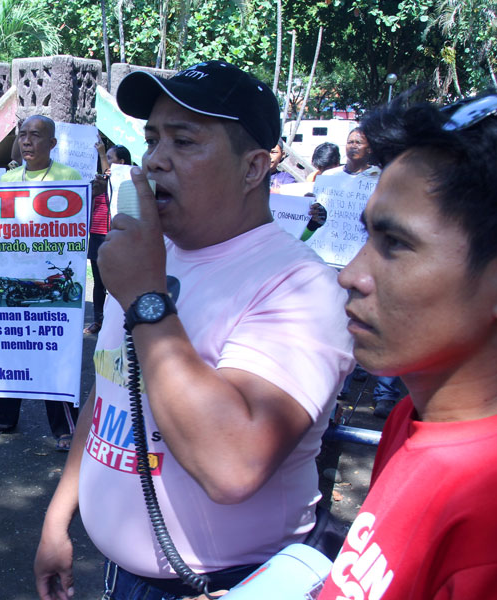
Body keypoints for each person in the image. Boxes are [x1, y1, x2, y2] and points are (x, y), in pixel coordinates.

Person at [34, 60, 353, 600]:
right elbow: (112, 389)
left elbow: (232, 466)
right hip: (121, 577)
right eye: (153, 139)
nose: (156, 159)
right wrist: (58, 517)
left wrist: (144, 298)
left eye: (184, 141)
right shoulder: (149, 257)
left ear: (254, 168)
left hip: (223, 585)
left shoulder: (300, 287)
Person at [319, 94, 497, 599]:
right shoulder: (408, 419)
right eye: (367, 235)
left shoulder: (486, 522)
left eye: (394, 244)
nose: (352, 275)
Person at [0, 115, 82, 450]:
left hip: (50, 275)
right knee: (10, 350)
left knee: (53, 353)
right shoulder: (8, 178)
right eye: (22, 135)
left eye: (35, 136)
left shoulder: (69, 177)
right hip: (16, 273)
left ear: (52, 144)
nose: (26, 142)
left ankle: (65, 427)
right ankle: (3, 418)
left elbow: (73, 232)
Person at [84, 141, 131, 335]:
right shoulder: (100, 182)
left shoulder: (126, 181)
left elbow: (114, 182)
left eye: (110, 159)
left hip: (115, 235)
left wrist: (102, 153)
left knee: (117, 280)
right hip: (97, 235)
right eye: (106, 159)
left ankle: (119, 321)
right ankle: (98, 320)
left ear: (121, 162)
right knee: (98, 281)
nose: (106, 164)